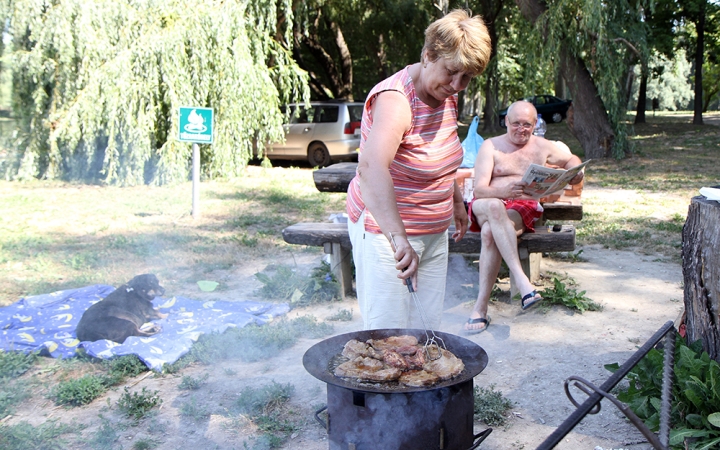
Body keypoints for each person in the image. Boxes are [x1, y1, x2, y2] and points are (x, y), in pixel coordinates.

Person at [346, 9, 492, 330]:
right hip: (387, 233)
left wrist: (455, 201)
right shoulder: (396, 100)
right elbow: (371, 169)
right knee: (389, 335)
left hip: (434, 229)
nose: (457, 85)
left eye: (467, 77)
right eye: (452, 72)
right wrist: (398, 239)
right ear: (428, 55)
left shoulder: (445, 94)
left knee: (425, 330)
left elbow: (442, 155)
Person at [463, 100, 584, 334]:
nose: (521, 129)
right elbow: (479, 190)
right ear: (506, 122)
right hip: (486, 203)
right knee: (496, 208)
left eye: (527, 124)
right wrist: (502, 192)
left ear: (535, 124)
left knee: (490, 233)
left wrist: (575, 173)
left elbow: (572, 160)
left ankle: (480, 308)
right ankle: (522, 281)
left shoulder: (542, 146)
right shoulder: (491, 146)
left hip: (521, 207)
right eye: (516, 123)